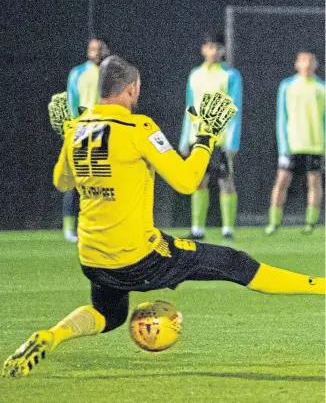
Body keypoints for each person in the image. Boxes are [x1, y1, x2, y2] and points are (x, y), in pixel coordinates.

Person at [3, 55, 324, 378]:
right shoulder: (139, 127)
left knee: (108, 315)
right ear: (132, 89)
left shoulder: (76, 128)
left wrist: (66, 136)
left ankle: (52, 335)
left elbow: (62, 182)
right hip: (139, 257)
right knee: (234, 263)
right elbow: (186, 182)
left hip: (93, 257)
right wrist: (206, 138)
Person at [179, 33, 242, 240]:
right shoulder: (194, 74)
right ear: (203, 49)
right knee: (199, 181)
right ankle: (197, 229)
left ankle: (228, 229)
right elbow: (189, 106)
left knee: (226, 180)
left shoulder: (231, 76)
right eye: (209, 47)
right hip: (197, 137)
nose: (213, 51)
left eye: (217, 47)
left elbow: (235, 109)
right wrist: (184, 138)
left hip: (220, 138)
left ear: (223, 50)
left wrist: (232, 141)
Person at [265, 52, 325, 235]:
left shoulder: (321, 88)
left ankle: (310, 223)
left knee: (314, 181)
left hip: (315, 144)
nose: (307, 64)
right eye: (303, 61)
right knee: (282, 180)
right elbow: (281, 117)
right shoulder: (287, 86)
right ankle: (274, 223)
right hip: (292, 144)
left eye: (310, 61)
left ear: (316, 64)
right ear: (297, 64)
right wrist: (284, 144)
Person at [62, 38, 110, 243]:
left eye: (99, 48)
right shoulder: (77, 73)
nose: (96, 52)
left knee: (102, 182)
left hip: (105, 131)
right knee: (76, 181)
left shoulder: (111, 73)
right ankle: (68, 228)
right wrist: (73, 128)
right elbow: (72, 101)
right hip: (82, 131)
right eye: (92, 48)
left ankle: (98, 225)